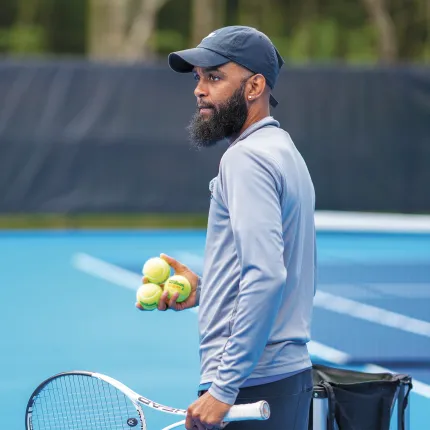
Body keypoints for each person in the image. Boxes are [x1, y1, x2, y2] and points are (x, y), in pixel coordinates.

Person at [136, 26, 317, 430]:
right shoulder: (283, 150)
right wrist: (209, 290)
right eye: (198, 78)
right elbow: (273, 266)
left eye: (214, 77)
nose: (199, 89)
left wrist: (223, 387)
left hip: (252, 386)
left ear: (254, 86)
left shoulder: (247, 159)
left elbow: (267, 275)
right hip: (282, 379)